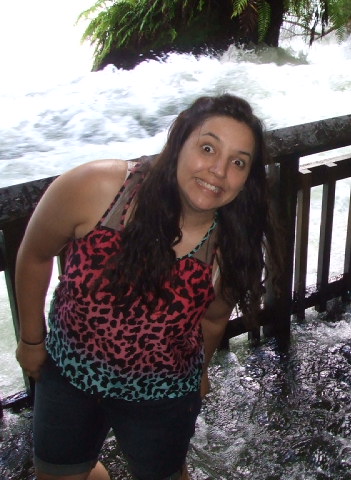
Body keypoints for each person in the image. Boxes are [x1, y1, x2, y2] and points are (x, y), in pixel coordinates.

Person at [15, 94, 280, 480]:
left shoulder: (229, 247)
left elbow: (212, 320)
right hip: (70, 374)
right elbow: (35, 254)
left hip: (163, 395)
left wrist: (201, 371)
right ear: (177, 145)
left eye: (237, 162)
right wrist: (32, 341)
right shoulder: (99, 188)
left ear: (246, 179)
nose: (219, 171)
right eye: (207, 148)